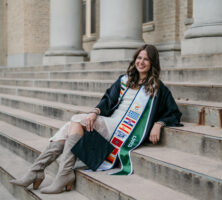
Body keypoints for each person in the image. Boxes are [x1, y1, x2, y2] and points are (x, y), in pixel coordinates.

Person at [9, 44, 182, 194]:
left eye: (146, 59)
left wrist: (159, 124)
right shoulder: (124, 81)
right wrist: (94, 112)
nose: (141, 62)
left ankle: (39, 171)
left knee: (75, 122)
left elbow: (174, 112)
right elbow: (107, 100)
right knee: (74, 123)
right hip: (110, 122)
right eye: (139, 57)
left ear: (152, 63)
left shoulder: (158, 89)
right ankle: (54, 173)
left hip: (122, 131)